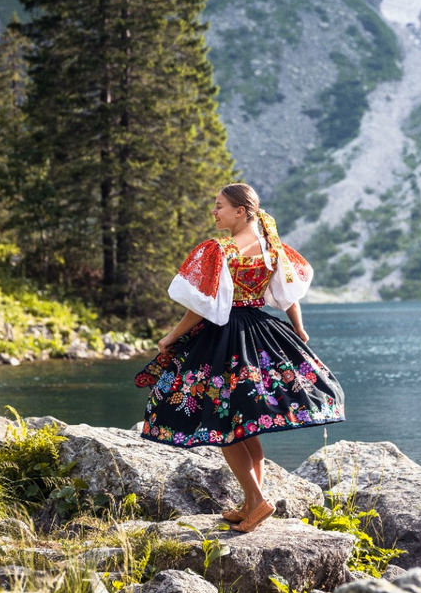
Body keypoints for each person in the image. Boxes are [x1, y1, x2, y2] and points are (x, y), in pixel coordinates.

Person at [135, 183, 346, 533]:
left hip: (225, 336)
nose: (214, 212)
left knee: (223, 427)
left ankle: (258, 500)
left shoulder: (219, 250)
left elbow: (200, 307)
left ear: (240, 211)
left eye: (219, 206)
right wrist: (299, 330)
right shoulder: (272, 248)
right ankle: (250, 503)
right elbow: (289, 294)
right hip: (260, 331)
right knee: (246, 423)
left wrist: (171, 337)